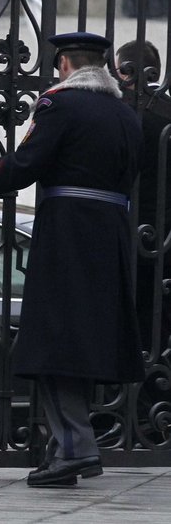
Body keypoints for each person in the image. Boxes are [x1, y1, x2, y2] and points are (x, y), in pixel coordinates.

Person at [0, 32, 145, 487]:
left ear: (64, 66)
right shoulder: (124, 113)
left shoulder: (60, 105)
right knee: (83, 344)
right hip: (110, 237)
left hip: (67, 237)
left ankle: (77, 448)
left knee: (52, 344)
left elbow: (25, 165)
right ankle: (64, 446)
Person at [115, 39, 171, 350]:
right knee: (156, 325)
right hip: (163, 238)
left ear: (122, 71)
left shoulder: (117, 114)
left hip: (123, 233)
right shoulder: (167, 114)